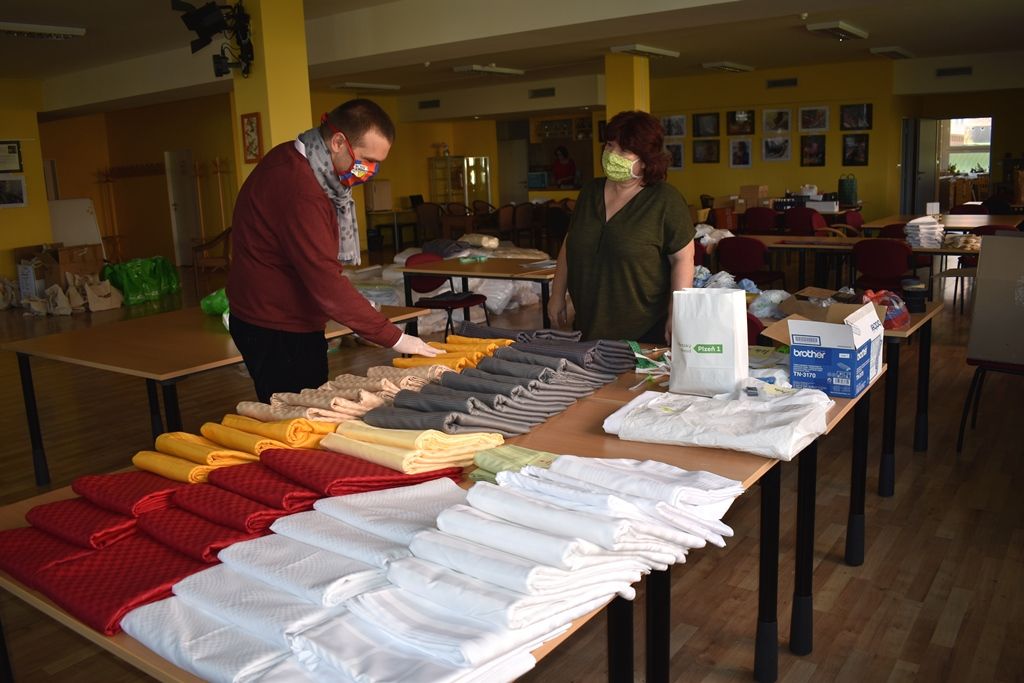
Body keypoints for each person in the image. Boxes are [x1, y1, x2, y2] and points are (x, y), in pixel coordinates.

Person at [227, 98, 439, 402]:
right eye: (366, 159)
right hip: (276, 326)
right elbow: (323, 279)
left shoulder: (295, 158)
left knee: (304, 410)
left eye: (377, 162)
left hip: (273, 316)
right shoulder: (302, 189)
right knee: (299, 416)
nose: (371, 171)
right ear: (338, 142)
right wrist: (395, 337)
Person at [547, 110, 695, 343]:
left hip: (645, 328)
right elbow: (570, 243)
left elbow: (683, 260)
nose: (612, 154)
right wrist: (557, 294)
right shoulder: (589, 193)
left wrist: (676, 314)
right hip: (588, 325)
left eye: (624, 150)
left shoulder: (665, 200)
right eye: (609, 145)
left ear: (646, 160)